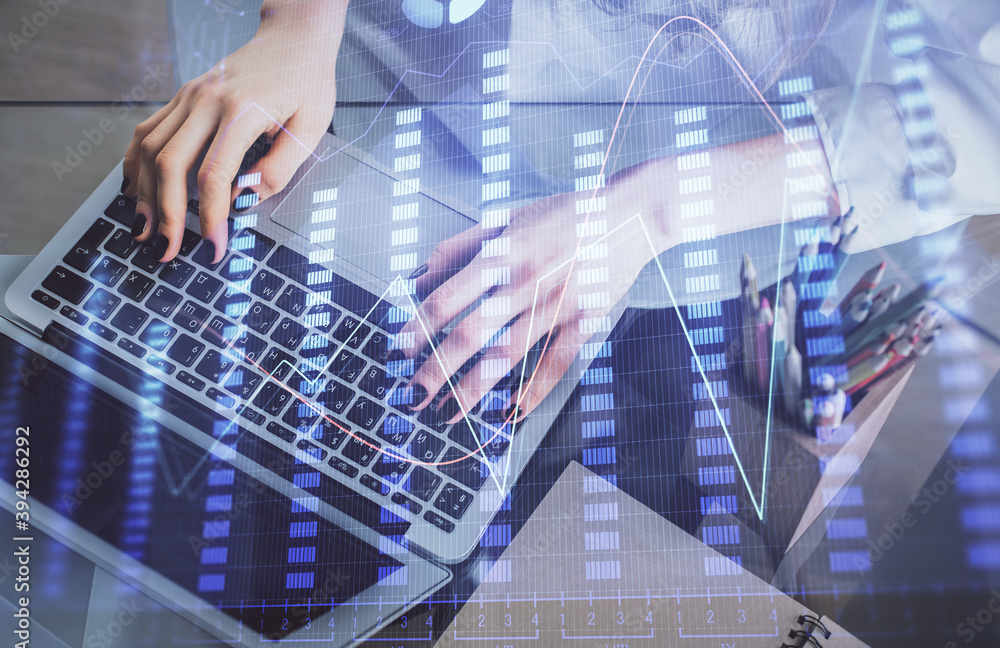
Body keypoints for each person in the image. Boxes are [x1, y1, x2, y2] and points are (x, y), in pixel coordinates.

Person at [122, 0, 1000, 424]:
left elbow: (978, 117)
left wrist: (648, 213)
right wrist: (302, 27)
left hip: (708, 170)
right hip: (376, 62)